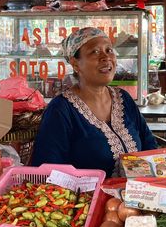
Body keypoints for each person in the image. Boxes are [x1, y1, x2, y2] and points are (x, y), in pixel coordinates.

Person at [31, 27, 157, 177]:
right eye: (95, 52)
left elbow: (150, 147)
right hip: (88, 198)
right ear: (76, 64)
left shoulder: (123, 99)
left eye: (109, 50)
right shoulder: (61, 110)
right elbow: (48, 170)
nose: (106, 57)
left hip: (137, 196)